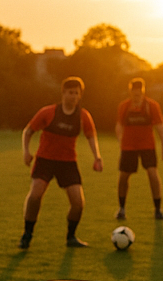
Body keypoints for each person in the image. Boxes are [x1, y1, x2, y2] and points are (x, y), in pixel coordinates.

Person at [19, 77, 103, 249]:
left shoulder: (83, 116)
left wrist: (97, 157)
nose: (73, 96)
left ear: (80, 96)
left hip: (68, 162)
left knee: (78, 203)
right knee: (35, 195)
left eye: (76, 93)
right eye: (70, 92)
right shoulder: (48, 112)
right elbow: (28, 131)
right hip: (45, 160)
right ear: (63, 93)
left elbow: (91, 136)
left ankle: (71, 237)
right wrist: (26, 151)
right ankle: (27, 234)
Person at [115, 77, 163, 220]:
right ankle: (121, 209)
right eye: (134, 92)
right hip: (128, 146)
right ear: (130, 92)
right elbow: (119, 125)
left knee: (152, 173)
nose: (136, 95)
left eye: (139, 93)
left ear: (143, 92)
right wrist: (120, 140)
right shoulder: (124, 106)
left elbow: (161, 127)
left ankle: (158, 209)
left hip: (147, 145)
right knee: (124, 177)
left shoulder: (152, 106)